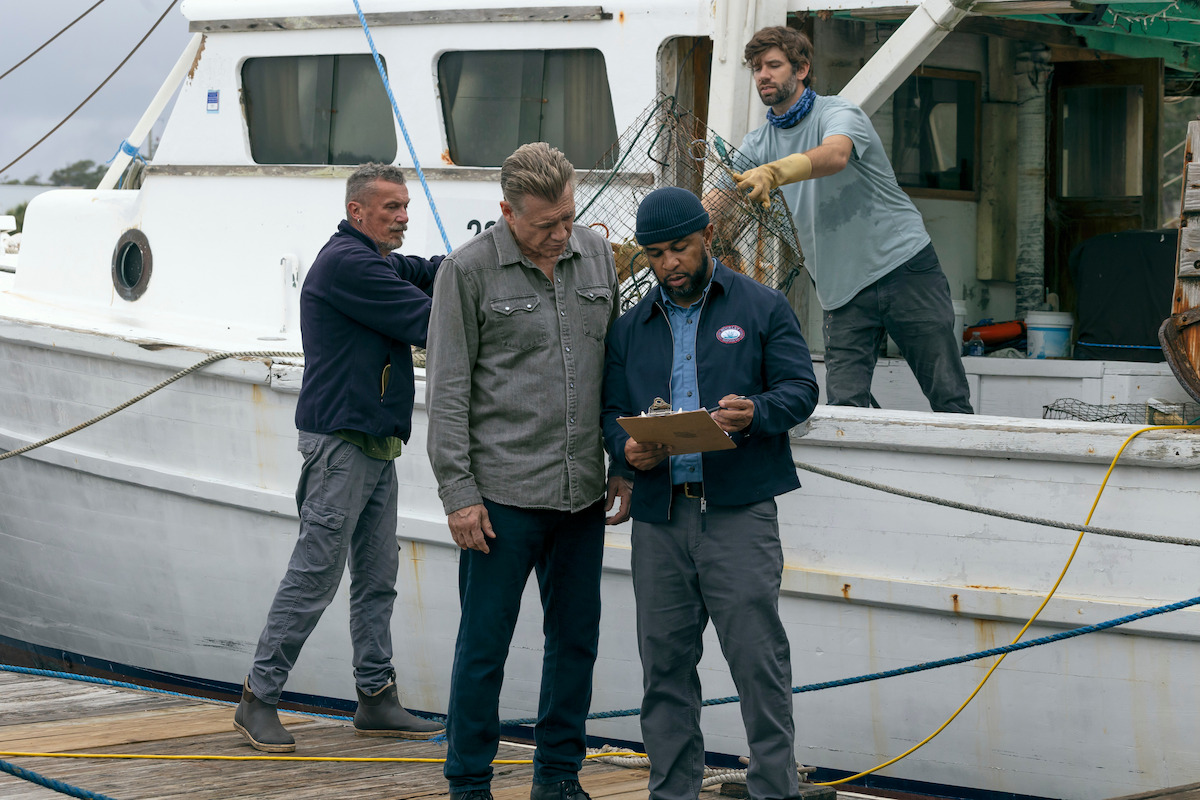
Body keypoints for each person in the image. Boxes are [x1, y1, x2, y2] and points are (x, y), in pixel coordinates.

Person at [601, 187, 819, 800]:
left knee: (757, 661)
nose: (668, 263)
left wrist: (757, 411)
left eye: (680, 248)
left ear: (707, 239)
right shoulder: (630, 326)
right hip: (660, 517)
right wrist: (626, 451)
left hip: (738, 512)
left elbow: (801, 389)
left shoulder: (762, 306)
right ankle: (672, 792)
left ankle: (775, 790)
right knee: (664, 667)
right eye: (655, 254)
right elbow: (611, 412)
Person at [425, 142, 627, 800]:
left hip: (580, 496)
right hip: (501, 499)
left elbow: (613, 371)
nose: (561, 235)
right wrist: (459, 496)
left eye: (568, 217)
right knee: (483, 649)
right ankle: (469, 783)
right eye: (545, 224)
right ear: (506, 212)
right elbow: (448, 393)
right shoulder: (467, 271)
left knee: (576, 644)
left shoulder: (596, 255)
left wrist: (621, 461)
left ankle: (559, 778)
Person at [234, 164, 446, 752]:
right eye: (391, 209)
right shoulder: (348, 264)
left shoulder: (374, 259)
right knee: (316, 575)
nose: (403, 216)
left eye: (405, 207)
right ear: (358, 212)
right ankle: (259, 697)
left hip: (375, 443)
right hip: (340, 445)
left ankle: (376, 698)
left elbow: (430, 272)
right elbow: (428, 319)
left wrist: (487, 260)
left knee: (378, 579)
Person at [731, 26, 973, 414]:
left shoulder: (839, 113)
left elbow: (835, 155)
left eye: (774, 65)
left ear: (803, 68)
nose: (763, 75)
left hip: (904, 267)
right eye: (757, 68)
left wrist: (773, 173)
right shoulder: (757, 144)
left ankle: (968, 471)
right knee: (845, 405)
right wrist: (651, 246)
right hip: (841, 293)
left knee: (948, 394)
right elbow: (721, 195)